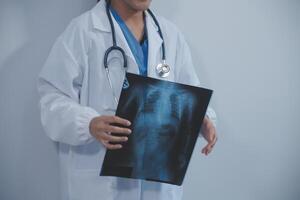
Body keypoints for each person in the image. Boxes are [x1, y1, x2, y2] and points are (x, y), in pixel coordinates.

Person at [37, 0, 218, 199]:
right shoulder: (83, 31)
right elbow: (52, 99)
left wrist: (201, 119)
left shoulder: (170, 35)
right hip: (101, 184)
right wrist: (88, 124)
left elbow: (190, 93)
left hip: (159, 185)